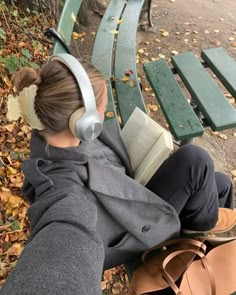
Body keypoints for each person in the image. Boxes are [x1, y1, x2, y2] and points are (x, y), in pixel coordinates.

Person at [1, 54, 234, 295]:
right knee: (196, 162)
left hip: (127, 197)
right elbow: (61, 251)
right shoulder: (66, 196)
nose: (103, 116)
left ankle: (200, 244)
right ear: (83, 121)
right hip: (128, 230)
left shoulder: (50, 129)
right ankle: (198, 251)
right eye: (102, 109)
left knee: (221, 184)